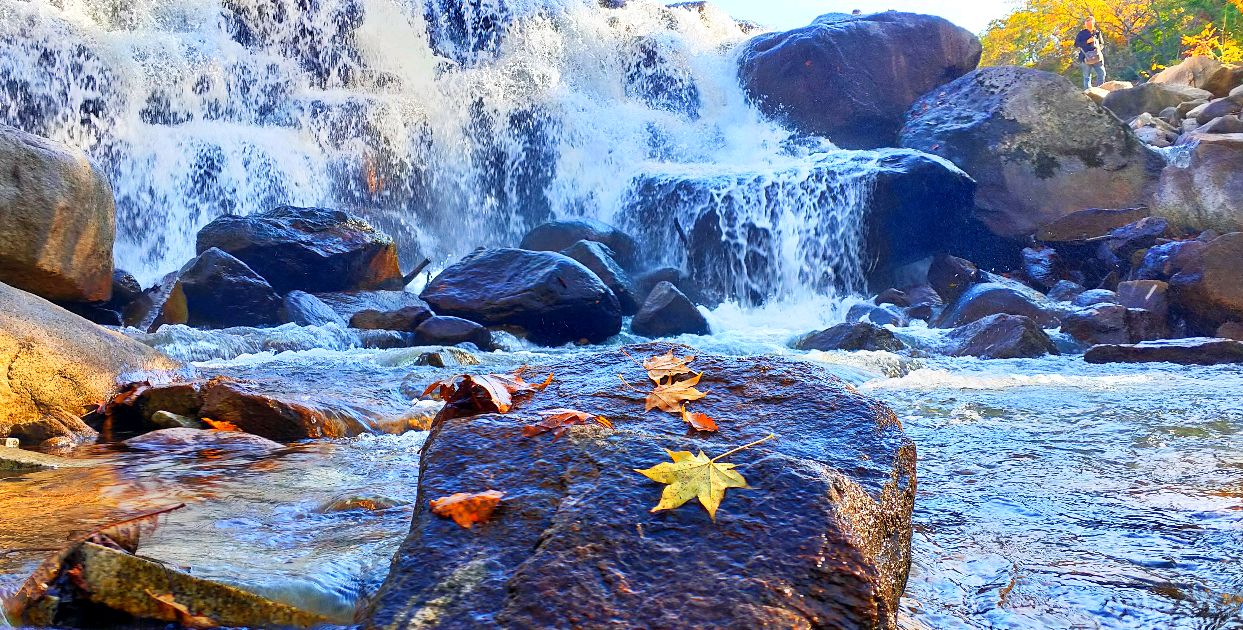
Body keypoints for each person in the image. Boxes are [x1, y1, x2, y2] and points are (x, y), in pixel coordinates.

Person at [1075, 17, 1106, 90]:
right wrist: (1086, 42)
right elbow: (1076, 44)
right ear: (1085, 24)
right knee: (1087, 77)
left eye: (1090, 23)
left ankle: (1100, 90)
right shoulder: (1081, 33)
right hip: (1085, 57)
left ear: (1093, 23)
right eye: (1087, 23)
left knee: (1102, 73)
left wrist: (1098, 48)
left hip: (1097, 57)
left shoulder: (1097, 33)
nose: (1088, 25)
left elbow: (1102, 44)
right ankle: (1088, 93)